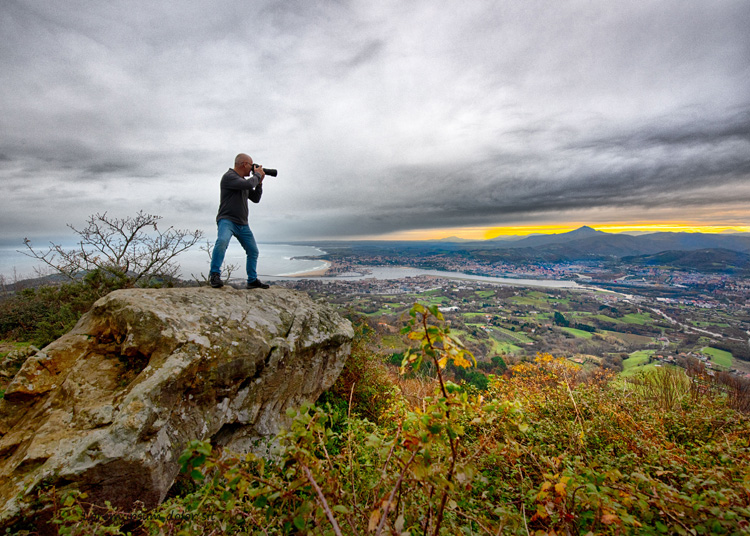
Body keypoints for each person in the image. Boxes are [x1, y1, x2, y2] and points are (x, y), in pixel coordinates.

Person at [209, 153, 270, 289]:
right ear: (244, 164)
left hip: (242, 223)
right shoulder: (229, 177)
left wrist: (259, 183)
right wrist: (258, 175)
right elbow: (249, 183)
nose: (252, 169)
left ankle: (252, 280)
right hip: (227, 220)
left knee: (253, 251)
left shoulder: (243, 182)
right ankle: (214, 275)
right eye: (251, 165)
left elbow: (255, 198)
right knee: (222, 242)